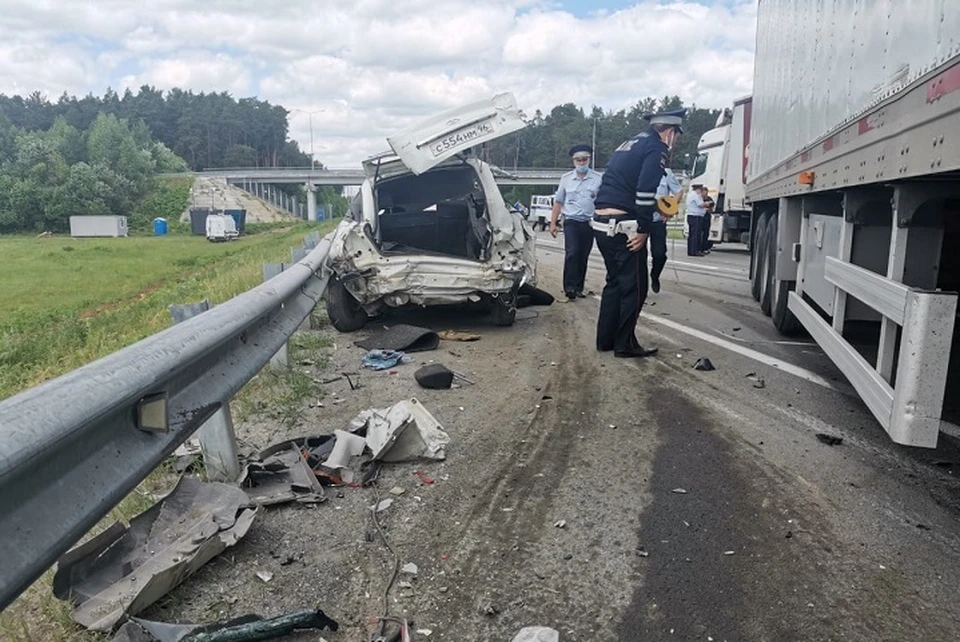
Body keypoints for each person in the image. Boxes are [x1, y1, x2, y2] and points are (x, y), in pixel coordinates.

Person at [592, 108, 685, 358]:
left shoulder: (628, 144)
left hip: (602, 221)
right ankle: (625, 344)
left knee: (614, 283)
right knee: (635, 287)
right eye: (676, 136)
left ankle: (605, 340)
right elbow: (644, 191)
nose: (675, 142)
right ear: (668, 132)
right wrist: (644, 229)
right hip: (625, 227)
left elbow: (620, 187)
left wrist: (658, 207)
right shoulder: (656, 149)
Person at [550, 144, 602, 300]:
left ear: (589, 159)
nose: (581, 163)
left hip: (589, 222)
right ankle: (569, 287)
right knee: (572, 252)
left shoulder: (598, 179)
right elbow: (558, 202)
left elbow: (602, 202)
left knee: (583, 255)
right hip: (571, 221)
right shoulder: (566, 179)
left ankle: (579, 287)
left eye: (584, 159)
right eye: (578, 160)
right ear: (573, 161)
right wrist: (553, 223)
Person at [650, 167, 682, 293]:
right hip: (640, 219)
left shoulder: (666, 173)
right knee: (636, 255)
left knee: (660, 254)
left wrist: (670, 209)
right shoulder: (637, 167)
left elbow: (679, 192)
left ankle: (655, 275)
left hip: (658, 220)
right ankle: (638, 284)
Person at [686, 184, 708, 256]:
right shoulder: (695, 195)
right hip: (695, 216)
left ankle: (691, 250)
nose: (701, 192)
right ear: (698, 189)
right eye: (700, 190)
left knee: (692, 234)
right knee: (695, 234)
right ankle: (694, 251)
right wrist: (707, 204)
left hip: (692, 216)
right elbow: (701, 205)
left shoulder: (690, 194)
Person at [700, 188, 716, 253]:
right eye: (704, 193)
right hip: (701, 217)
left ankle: (705, 247)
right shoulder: (699, 198)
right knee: (700, 233)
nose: (705, 194)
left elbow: (712, 205)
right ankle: (700, 247)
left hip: (707, 217)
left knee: (706, 233)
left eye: (706, 193)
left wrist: (708, 206)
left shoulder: (709, 199)